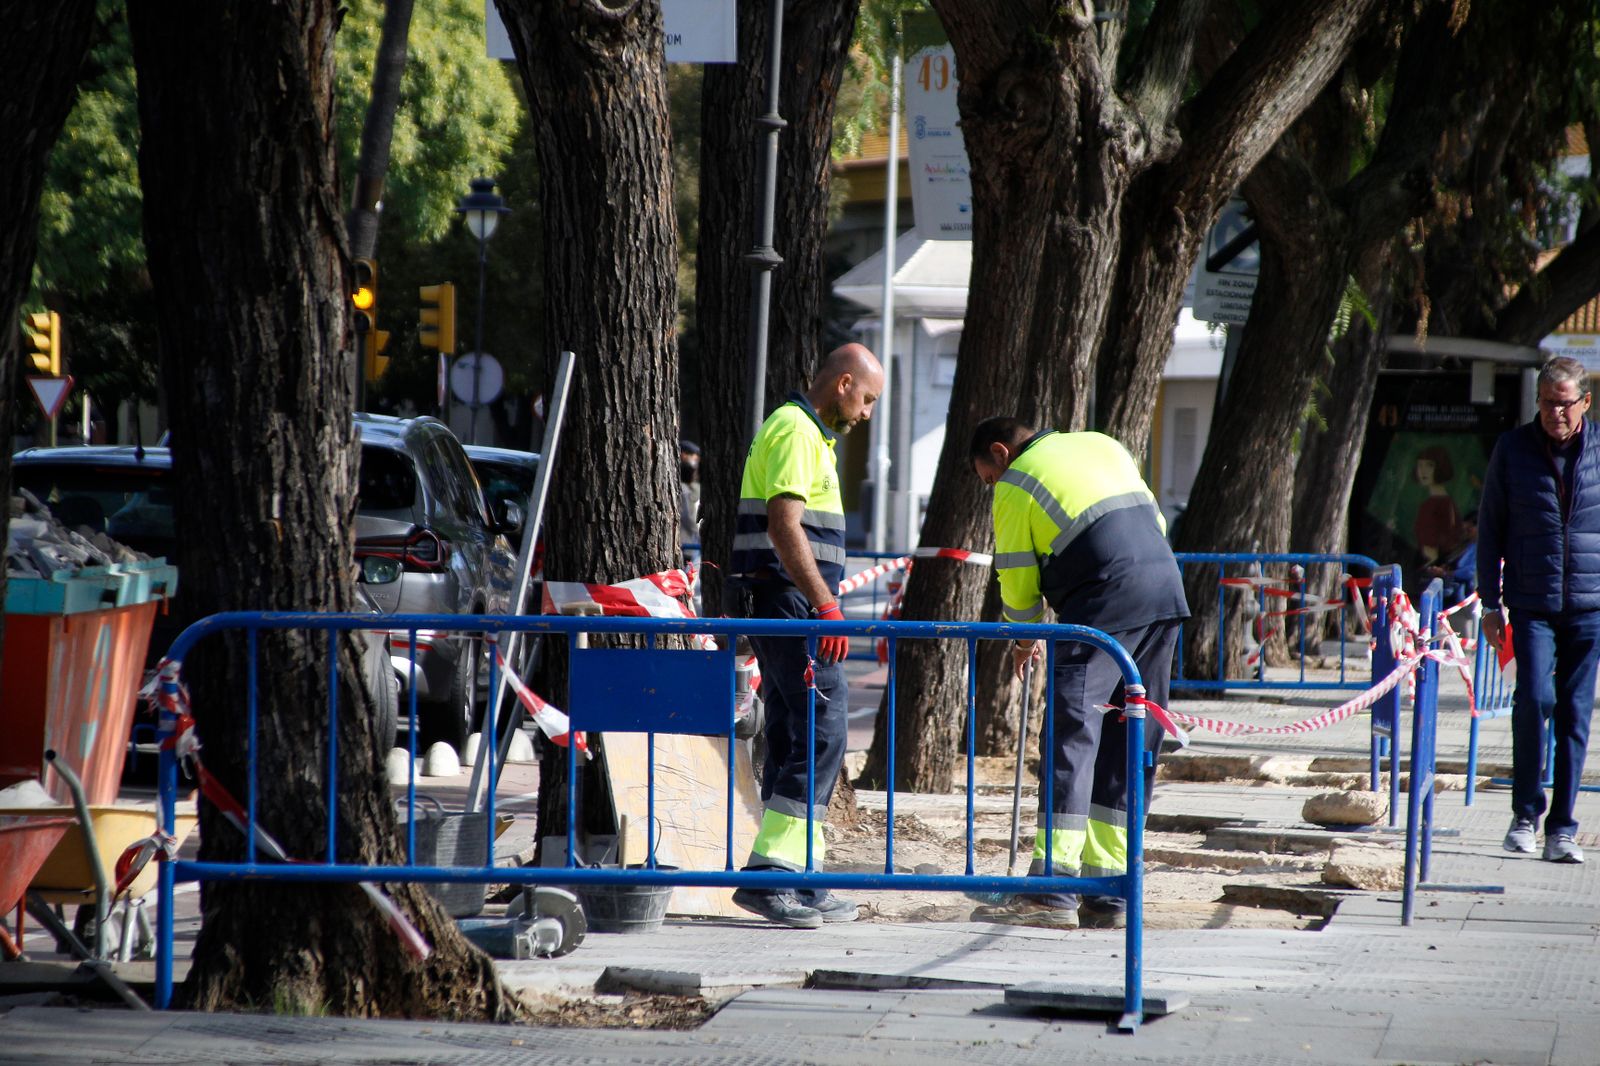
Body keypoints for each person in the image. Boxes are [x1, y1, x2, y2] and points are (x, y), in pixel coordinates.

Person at [967, 417, 1189, 929]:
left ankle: (1053, 890)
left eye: (986, 477)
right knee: (1129, 738)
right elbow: (1151, 521)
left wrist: (1024, 640)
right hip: (1165, 594)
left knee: (1072, 738)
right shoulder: (1102, 445)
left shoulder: (1016, 483)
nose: (990, 488)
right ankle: (1111, 893)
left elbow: (1018, 581)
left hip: (1102, 604)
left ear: (1001, 453)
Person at [728, 343, 884, 928]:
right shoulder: (795, 430)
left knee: (801, 730)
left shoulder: (803, 432)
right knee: (820, 729)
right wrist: (824, 604)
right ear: (844, 383)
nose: (867, 412)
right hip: (791, 603)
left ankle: (801, 874)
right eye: (867, 398)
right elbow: (783, 524)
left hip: (788, 601)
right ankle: (773, 876)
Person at [1479, 356, 1600, 865]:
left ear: (1585, 403)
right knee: (1533, 699)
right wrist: (1489, 602)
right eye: (1548, 403)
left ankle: (1563, 829)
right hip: (1529, 604)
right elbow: (1490, 528)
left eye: (1564, 403)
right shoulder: (1512, 450)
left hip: (1589, 607)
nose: (1555, 412)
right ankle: (1526, 813)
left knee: (1574, 715)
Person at [1425, 510, 1477, 608]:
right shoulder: (1467, 545)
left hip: (1463, 600)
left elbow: (1472, 572)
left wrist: (1447, 573)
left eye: (1470, 529)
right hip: (1450, 592)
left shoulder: (1483, 549)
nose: (1467, 532)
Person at [678, 439, 701, 563]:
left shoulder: (692, 487)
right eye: (693, 457)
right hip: (685, 545)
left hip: (689, 545)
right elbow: (688, 518)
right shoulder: (683, 489)